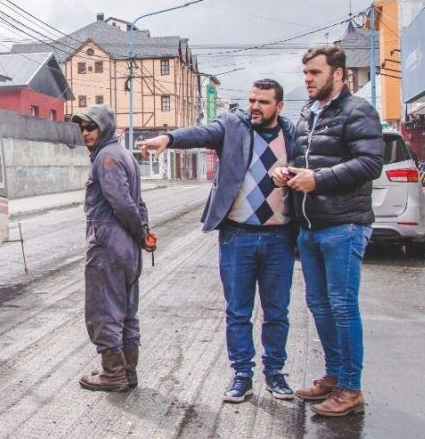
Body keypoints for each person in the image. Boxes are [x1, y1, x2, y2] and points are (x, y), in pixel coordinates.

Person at [139, 79, 297, 403]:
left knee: (277, 311)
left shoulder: (292, 134)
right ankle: (242, 374)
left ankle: (275, 373)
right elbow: (201, 133)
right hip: (237, 235)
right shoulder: (233, 125)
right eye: (252, 99)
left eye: (264, 102)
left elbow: (309, 167)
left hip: (279, 237)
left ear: (279, 107)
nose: (255, 106)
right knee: (238, 311)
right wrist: (168, 138)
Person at [270, 45, 382, 417]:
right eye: (305, 74)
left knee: (342, 307)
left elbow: (369, 163)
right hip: (311, 227)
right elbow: (305, 162)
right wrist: (285, 172)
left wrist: (318, 180)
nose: (308, 80)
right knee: (319, 305)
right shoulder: (307, 115)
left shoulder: (358, 111)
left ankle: (351, 388)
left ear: (338, 74)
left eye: (315, 73)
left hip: (344, 225)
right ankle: (334, 375)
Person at [71, 105, 152, 392]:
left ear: (104, 127)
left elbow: (123, 204)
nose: (85, 133)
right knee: (127, 309)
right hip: (128, 247)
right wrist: (142, 234)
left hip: (107, 244)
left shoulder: (106, 158)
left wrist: (137, 230)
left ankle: (113, 373)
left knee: (103, 309)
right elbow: (138, 204)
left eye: (90, 127)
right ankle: (128, 371)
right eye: (82, 128)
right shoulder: (124, 155)